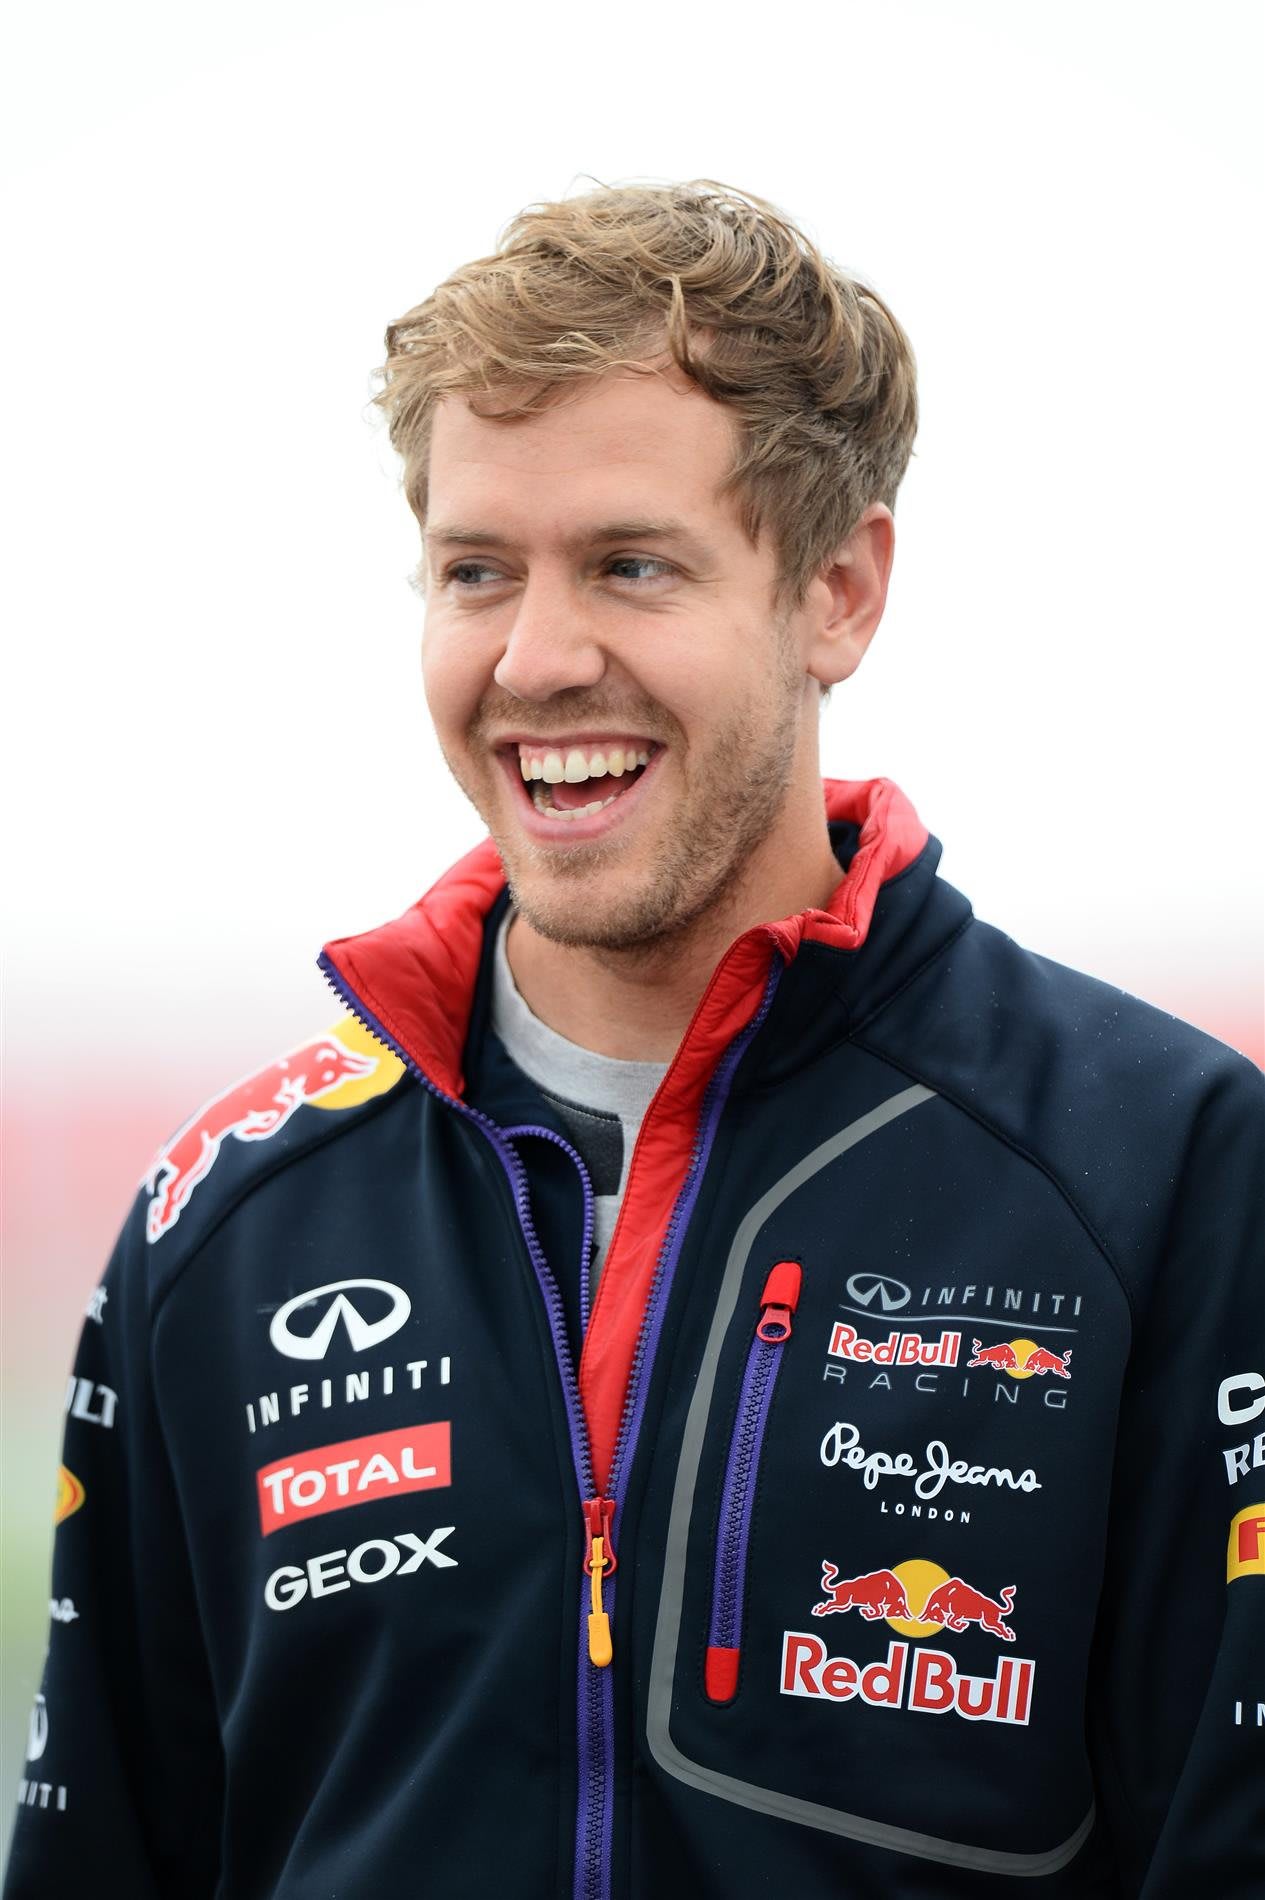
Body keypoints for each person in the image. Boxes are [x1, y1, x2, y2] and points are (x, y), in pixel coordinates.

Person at [5, 179, 1262, 1900]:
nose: (534, 658)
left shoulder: (1165, 1169)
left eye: (628, 566)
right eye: (474, 572)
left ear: (836, 590)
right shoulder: (221, 1227)